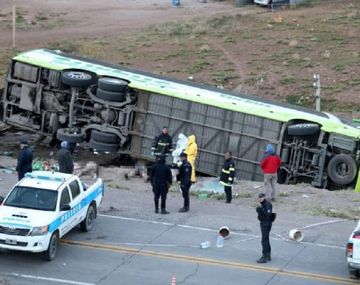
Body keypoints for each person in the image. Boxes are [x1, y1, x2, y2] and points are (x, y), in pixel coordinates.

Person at [256, 193, 273, 263]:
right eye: (259, 198)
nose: (260, 199)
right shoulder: (263, 204)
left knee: (264, 240)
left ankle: (264, 256)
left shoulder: (268, 204)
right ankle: (268, 255)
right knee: (266, 239)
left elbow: (268, 214)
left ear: (264, 198)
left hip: (266, 223)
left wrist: (261, 210)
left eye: (261, 198)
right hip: (264, 223)